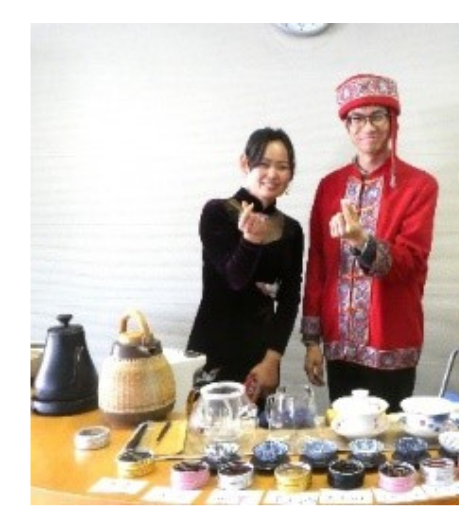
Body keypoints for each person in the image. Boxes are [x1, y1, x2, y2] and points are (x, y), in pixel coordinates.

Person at [301, 73, 440, 410]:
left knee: (389, 437)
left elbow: (411, 262)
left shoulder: (419, 185)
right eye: (357, 118)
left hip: (391, 337)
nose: (368, 126)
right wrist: (312, 340)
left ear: (392, 121)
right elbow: (317, 263)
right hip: (338, 341)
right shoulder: (329, 186)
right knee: (343, 434)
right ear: (347, 126)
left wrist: (363, 241)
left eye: (378, 116)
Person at [187, 127, 304, 401]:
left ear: (291, 173)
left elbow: (289, 299)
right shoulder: (217, 212)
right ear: (245, 163)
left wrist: (272, 360)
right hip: (214, 345)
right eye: (264, 164)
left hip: (261, 356)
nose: (273, 174)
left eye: (282, 167)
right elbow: (235, 279)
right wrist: (251, 241)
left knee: (258, 427)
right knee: (208, 425)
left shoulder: (292, 230)